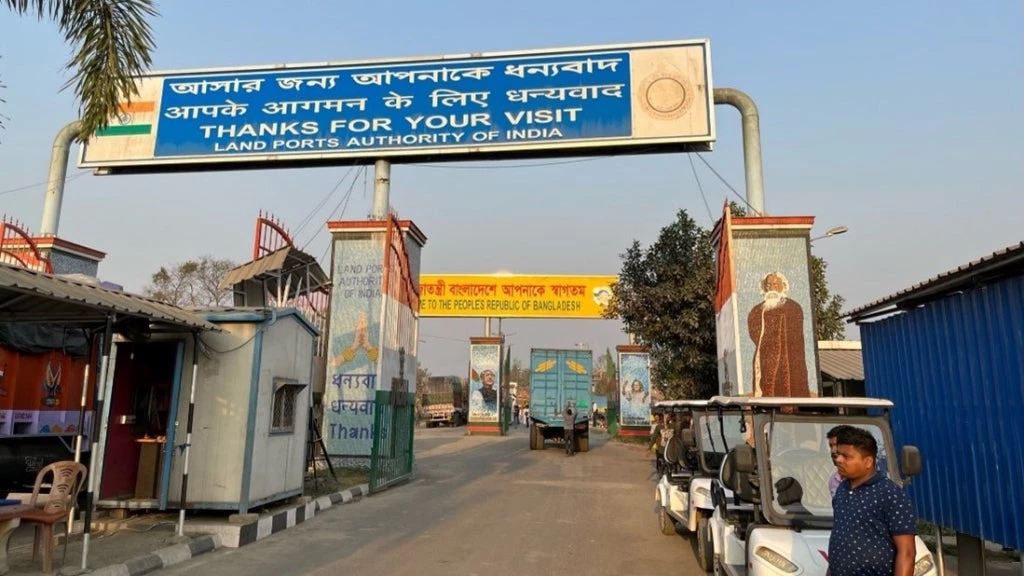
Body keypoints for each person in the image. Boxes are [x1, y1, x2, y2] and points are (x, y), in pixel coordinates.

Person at [828, 427, 917, 576]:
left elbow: (907, 552)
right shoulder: (842, 490)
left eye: (846, 456)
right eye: (838, 455)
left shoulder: (891, 494)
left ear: (868, 461)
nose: (838, 460)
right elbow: (839, 540)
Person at [747, 272, 810, 397]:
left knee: (787, 383)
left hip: (787, 356)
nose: (771, 287)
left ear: (783, 286)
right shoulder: (757, 309)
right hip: (765, 355)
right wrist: (767, 343)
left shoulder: (793, 307)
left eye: (775, 284)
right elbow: (753, 330)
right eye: (768, 284)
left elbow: (796, 334)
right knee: (764, 385)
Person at [827, 425, 855, 497]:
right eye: (831, 446)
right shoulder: (834, 479)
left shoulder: (865, 478)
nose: (833, 451)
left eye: (837, 445)